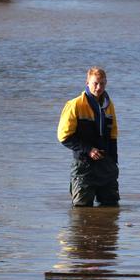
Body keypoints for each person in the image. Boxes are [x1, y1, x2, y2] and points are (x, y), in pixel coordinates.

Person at [57, 66, 119, 207]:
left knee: (111, 207)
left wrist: (114, 162)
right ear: (87, 83)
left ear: (106, 83)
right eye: (95, 83)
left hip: (106, 164)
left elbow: (113, 135)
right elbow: (64, 137)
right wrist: (89, 150)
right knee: (81, 209)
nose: (98, 87)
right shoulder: (75, 105)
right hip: (83, 165)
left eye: (102, 83)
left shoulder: (108, 105)